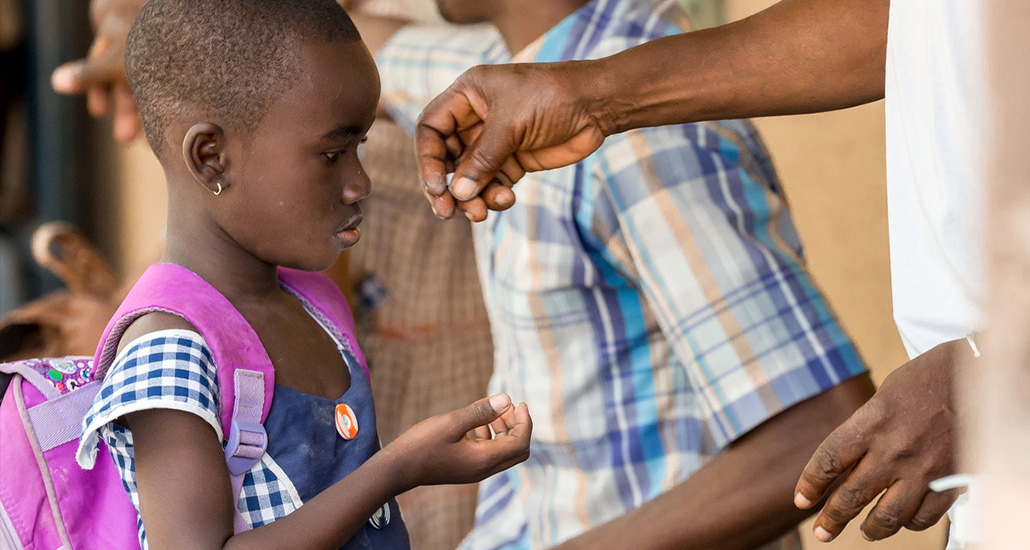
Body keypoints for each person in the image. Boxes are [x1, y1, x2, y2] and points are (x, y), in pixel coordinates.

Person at [413, 0, 981, 545]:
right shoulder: (569, 82)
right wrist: (592, 96)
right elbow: (914, 18)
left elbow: (809, 426)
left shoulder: (646, 148)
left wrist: (989, 372)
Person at [72, 1, 532, 548]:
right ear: (211, 156)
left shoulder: (315, 300)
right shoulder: (170, 348)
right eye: (333, 153)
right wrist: (397, 469)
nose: (359, 181)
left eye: (359, 147)